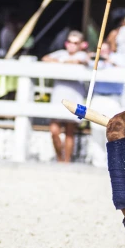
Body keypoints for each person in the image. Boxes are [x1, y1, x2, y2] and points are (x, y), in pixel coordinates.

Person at [42, 30, 89, 163]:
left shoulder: (83, 55)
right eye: (69, 42)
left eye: (75, 43)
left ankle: (66, 161)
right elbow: (45, 58)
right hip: (59, 93)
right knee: (54, 130)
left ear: (81, 45)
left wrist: (61, 62)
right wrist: (62, 61)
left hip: (74, 94)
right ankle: (59, 158)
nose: (72, 45)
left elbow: (81, 61)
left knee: (69, 131)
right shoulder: (61, 53)